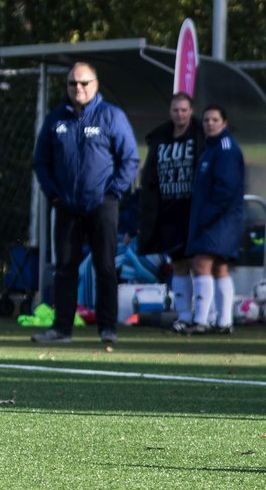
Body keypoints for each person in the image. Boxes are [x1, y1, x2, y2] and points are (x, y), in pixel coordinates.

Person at [31, 62, 139, 345]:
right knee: (65, 268)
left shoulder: (111, 116)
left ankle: (107, 328)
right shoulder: (55, 120)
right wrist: (53, 194)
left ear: (95, 84)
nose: (78, 88)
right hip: (66, 206)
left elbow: (130, 159)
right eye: (72, 84)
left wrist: (112, 192)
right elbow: (41, 162)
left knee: (104, 267)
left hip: (102, 206)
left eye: (83, 83)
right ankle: (62, 329)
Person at [136, 92, 205, 332]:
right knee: (178, 265)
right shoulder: (161, 139)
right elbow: (149, 178)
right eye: (176, 110)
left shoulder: (200, 136)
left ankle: (204, 317)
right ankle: (184, 315)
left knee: (199, 263)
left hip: (193, 210)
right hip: (168, 210)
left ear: (191, 111)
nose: (180, 114)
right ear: (170, 112)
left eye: (184, 110)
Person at [183, 104, 245, 334]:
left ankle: (201, 321)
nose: (209, 123)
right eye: (206, 120)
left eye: (214, 120)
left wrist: (207, 216)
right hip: (216, 218)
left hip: (221, 219)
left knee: (201, 264)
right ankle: (224, 322)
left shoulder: (225, 148)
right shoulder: (211, 148)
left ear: (224, 123)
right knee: (219, 268)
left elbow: (226, 189)